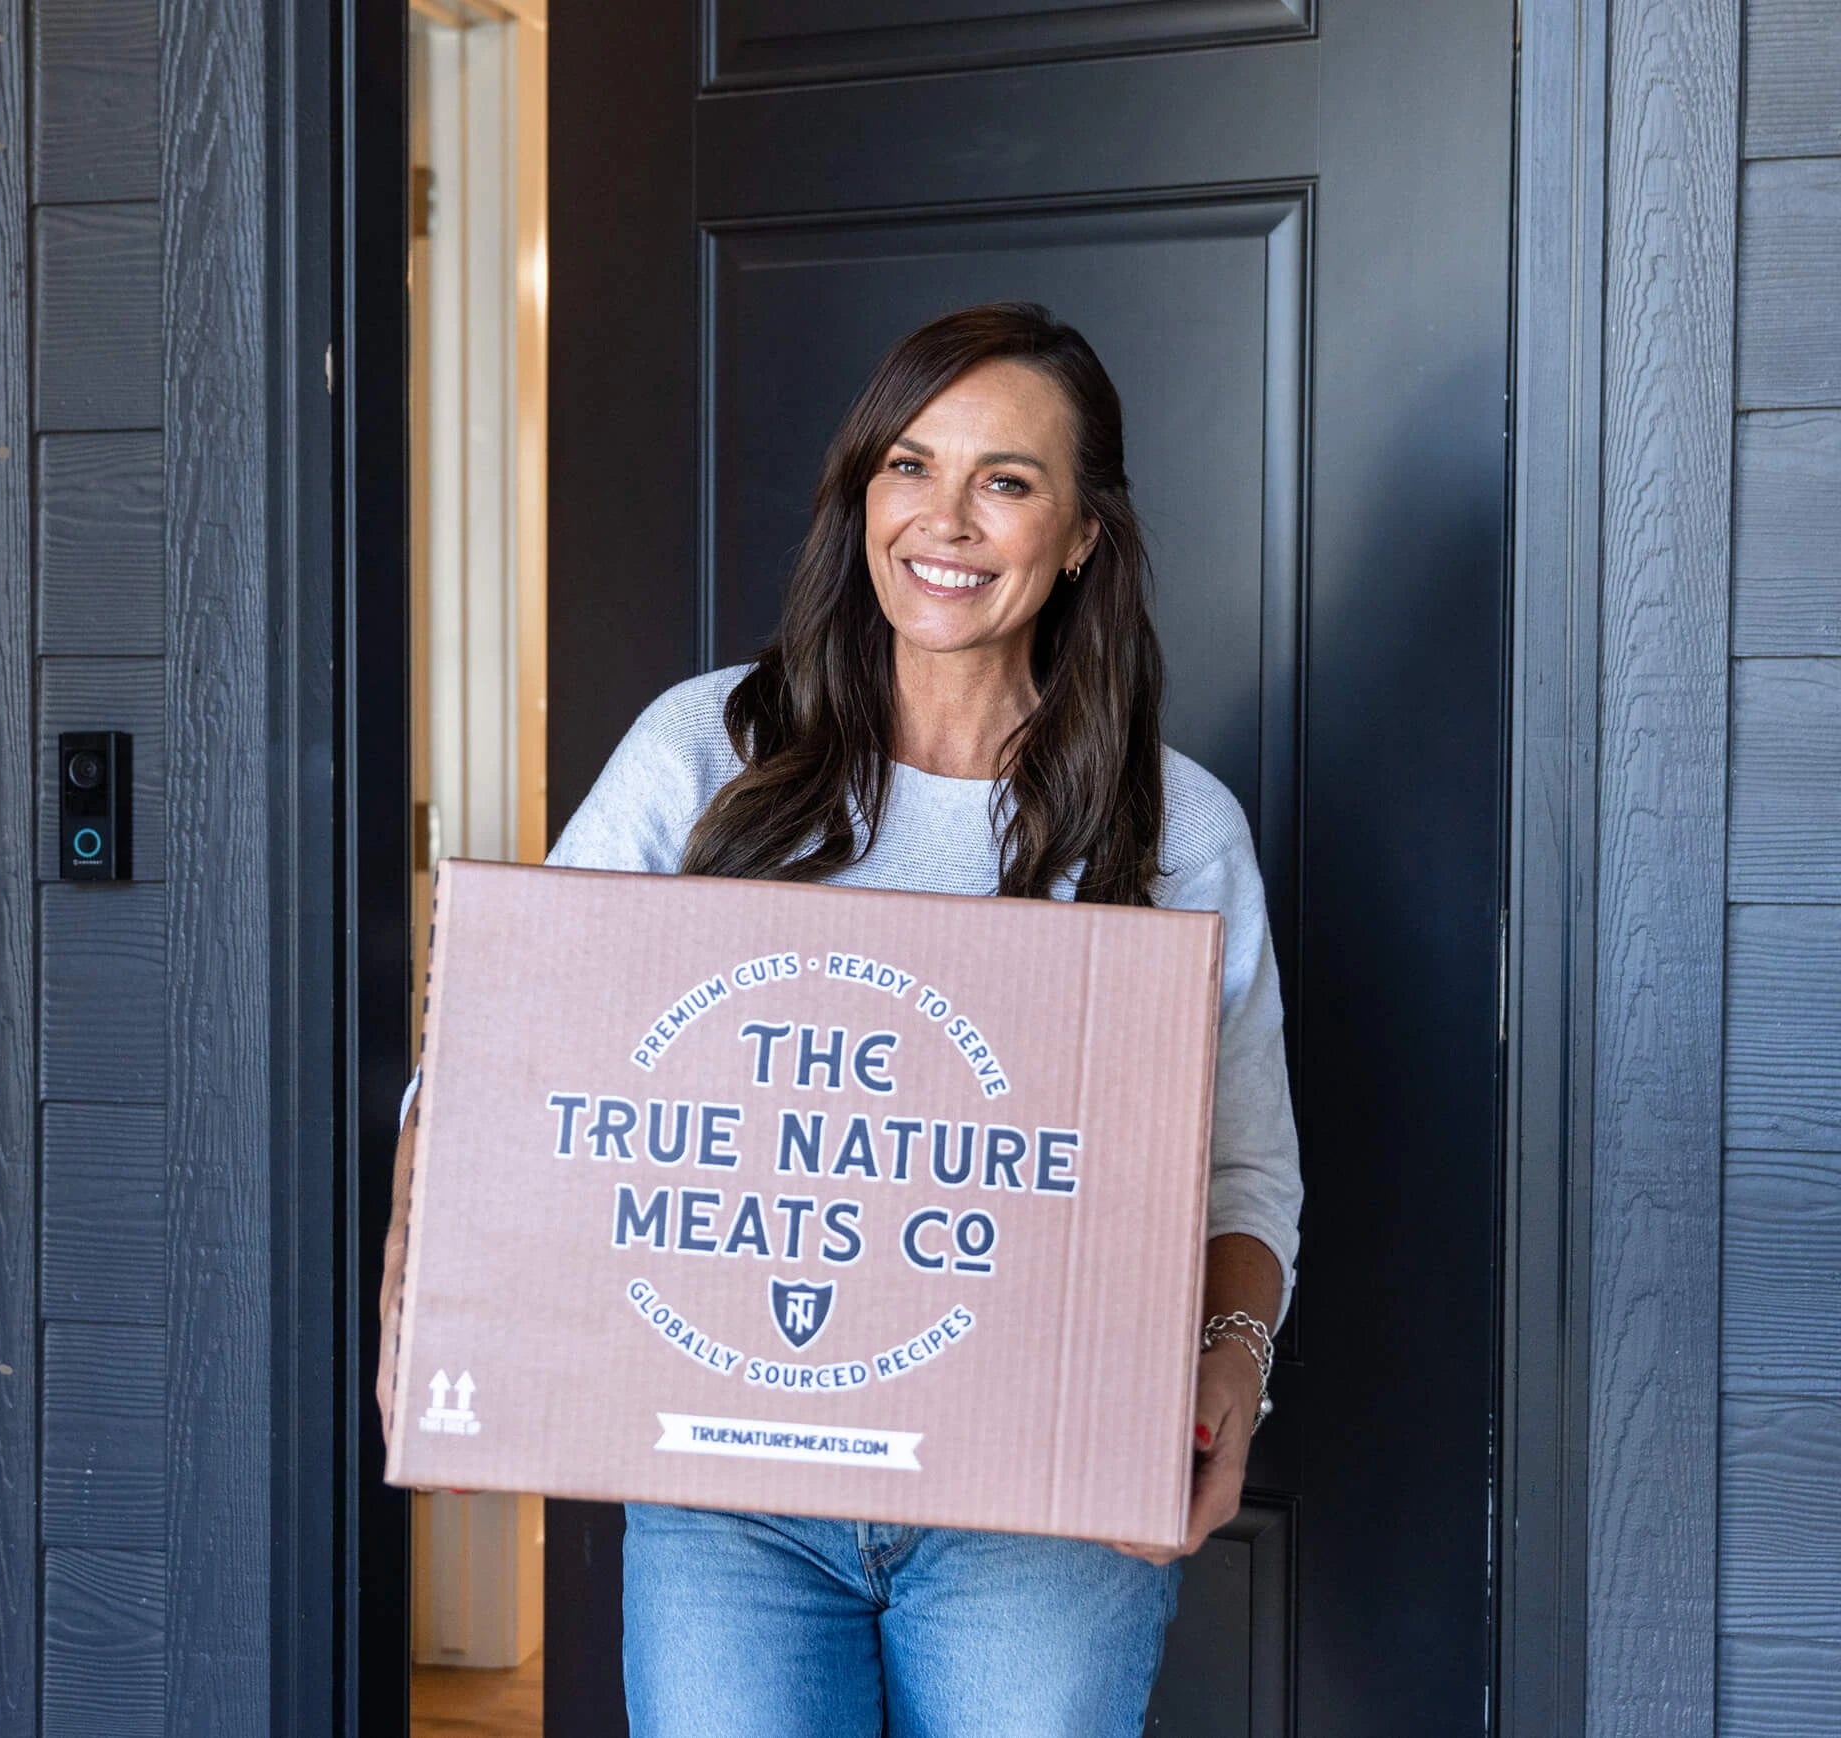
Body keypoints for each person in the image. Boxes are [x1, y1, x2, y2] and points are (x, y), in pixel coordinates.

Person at [546, 302, 1301, 1735]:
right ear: (862, 489)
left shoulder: (1177, 826)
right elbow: (517, 1051)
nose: (943, 519)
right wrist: (428, 1277)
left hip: (1044, 1506)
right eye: (910, 464)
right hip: (735, 1498)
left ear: (1081, 534)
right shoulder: (704, 751)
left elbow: (1247, 1173)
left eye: (1006, 480)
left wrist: (1230, 1372)